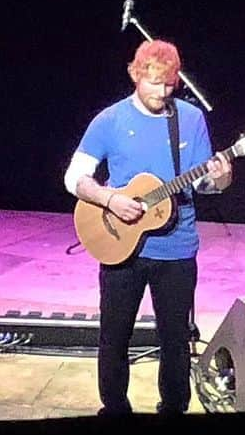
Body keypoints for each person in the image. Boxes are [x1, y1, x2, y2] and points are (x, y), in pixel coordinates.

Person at [64, 39, 233, 415]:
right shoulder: (110, 120)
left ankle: (173, 408)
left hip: (177, 249)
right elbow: (74, 176)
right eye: (153, 82)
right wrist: (110, 199)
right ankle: (115, 409)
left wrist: (221, 180)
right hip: (121, 248)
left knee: (175, 339)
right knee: (114, 337)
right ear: (135, 75)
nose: (161, 91)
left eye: (169, 84)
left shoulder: (190, 119)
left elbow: (203, 183)